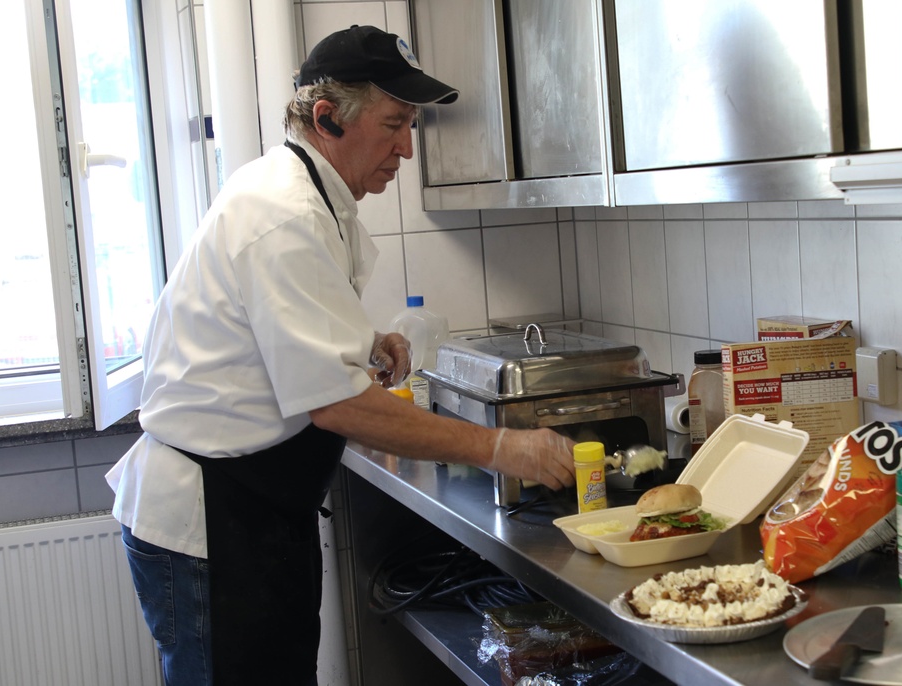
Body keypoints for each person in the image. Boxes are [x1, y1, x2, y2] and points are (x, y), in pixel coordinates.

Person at [105, 25, 576, 686]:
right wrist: (502, 449)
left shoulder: (310, 195)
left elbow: (274, 333)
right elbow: (337, 407)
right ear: (327, 117)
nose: (406, 149)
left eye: (412, 126)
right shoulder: (285, 214)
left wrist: (363, 343)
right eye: (393, 125)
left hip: (256, 509)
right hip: (213, 523)